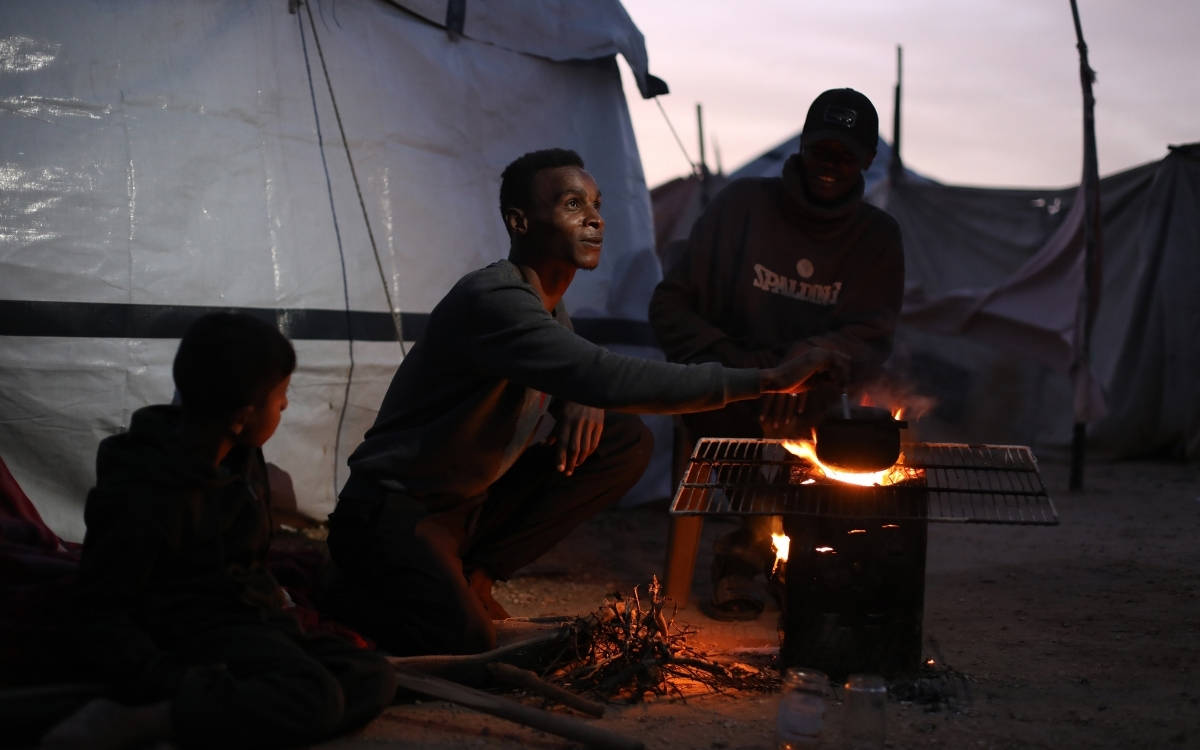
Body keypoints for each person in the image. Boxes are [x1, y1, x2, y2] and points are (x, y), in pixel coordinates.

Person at [324, 148, 845, 657]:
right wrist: (769, 379)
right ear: (519, 222)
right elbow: (603, 374)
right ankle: (367, 589)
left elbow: (581, 371)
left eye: (596, 204)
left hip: (467, 506)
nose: (594, 218)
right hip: (396, 510)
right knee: (467, 644)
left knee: (620, 440)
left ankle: (475, 573)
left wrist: (582, 395)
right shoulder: (494, 300)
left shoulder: (550, 307)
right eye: (572, 205)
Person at [41, 313, 397, 750]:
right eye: (280, 395)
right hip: (187, 641)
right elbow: (101, 613)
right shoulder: (145, 488)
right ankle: (157, 719)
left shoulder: (241, 459)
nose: (285, 406)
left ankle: (226, 715)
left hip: (246, 627)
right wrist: (166, 680)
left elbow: (243, 568)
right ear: (243, 415)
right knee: (316, 699)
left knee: (372, 676)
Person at [648, 88, 905, 620]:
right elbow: (671, 304)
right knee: (722, 410)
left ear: (867, 162)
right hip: (732, 380)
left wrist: (807, 365)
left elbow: (873, 335)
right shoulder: (741, 205)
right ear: (802, 147)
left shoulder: (878, 237)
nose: (830, 166)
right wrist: (754, 374)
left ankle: (806, 558)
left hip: (817, 395)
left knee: (847, 431)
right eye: (821, 151)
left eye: (846, 156)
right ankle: (746, 553)